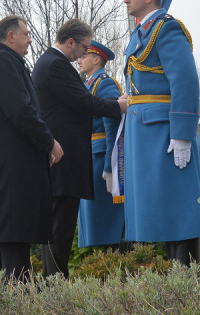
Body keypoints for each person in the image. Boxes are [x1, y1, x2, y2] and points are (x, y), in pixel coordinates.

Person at [119, 0, 200, 265]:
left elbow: (185, 81)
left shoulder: (166, 28)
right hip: (144, 132)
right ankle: (174, 281)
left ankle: (186, 280)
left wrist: (183, 133)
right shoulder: (140, 33)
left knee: (179, 206)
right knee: (160, 210)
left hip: (164, 130)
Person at [0, 15, 62, 280]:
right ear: (10, 36)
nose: (30, 39)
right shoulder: (1, 61)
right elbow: (21, 110)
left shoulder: (1, 60)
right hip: (9, 173)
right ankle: (18, 302)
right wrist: (49, 142)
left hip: (5, 171)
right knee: (13, 246)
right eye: (26, 34)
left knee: (4, 246)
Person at [33, 19, 127, 277]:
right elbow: (84, 102)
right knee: (60, 229)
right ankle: (55, 284)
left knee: (56, 229)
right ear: (71, 41)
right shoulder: (56, 65)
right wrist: (118, 106)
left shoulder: (49, 63)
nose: (83, 54)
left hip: (61, 158)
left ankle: (51, 282)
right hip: (65, 160)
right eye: (83, 47)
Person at [76, 40, 126, 250]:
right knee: (95, 222)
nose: (79, 59)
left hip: (100, 156)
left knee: (106, 222)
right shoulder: (87, 84)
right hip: (89, 156)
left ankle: (114, 261)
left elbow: (111, 125)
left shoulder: (104, 83)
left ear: (96, 59)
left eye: (84, 56)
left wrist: (110, 165)